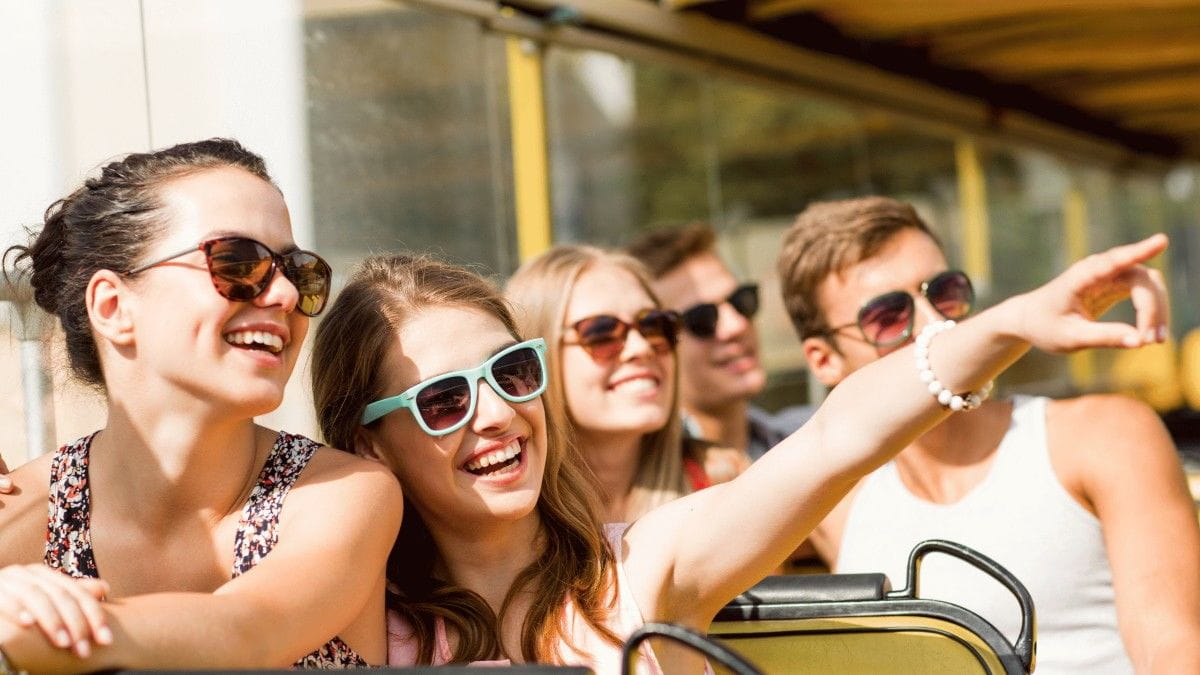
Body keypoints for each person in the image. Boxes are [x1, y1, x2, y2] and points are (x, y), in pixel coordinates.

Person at [310, 230, 1168, 670]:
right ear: (367, 443)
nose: (497, 413)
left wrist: (1007, 324)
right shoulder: (347, 622)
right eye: (445, 399)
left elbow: (837, 436)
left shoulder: (639, 568)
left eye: (514, 370)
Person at [0, 138, 402, 672]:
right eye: (237, 262)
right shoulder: (19, 514)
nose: (284, 296)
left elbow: (249, 632)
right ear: (114, 307)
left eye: (299, 272)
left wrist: (51, 627)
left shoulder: (344, 494)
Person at [776, 196, 1200, 674]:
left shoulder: (1101, 435)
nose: (936, 323)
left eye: (945, 291)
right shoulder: (833, 502)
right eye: (888, 316)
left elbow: (1171, 649)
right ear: (823, 360)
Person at [504, 245, 745, 523]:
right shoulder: (510, 519)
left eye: (655, 326)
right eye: (601, 333)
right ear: (536, 362)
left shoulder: (724, 481)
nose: (640, 348)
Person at [626, 224, 811, 462]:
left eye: (740, 301)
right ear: (651, 347)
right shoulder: (644, 487)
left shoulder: (809, 438)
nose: (736, 326)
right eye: (701, 318)